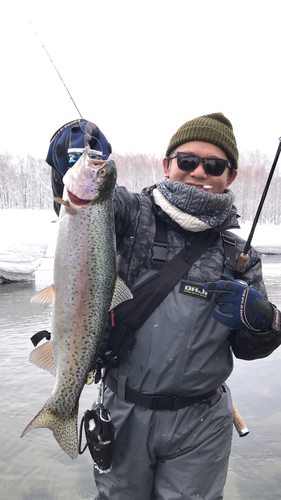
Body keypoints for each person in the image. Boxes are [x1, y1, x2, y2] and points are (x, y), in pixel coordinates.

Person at [47, 113, 281, 500]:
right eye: (187, 161)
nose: (199, 172)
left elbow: (251, 349)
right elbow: (81, 208)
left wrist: (263, 320)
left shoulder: (240, 256)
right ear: (167, 165)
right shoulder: (131, 214)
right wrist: (66, 160)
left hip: (202, 423)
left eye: (214, 165)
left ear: (231, 176)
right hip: (123, 412)